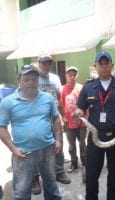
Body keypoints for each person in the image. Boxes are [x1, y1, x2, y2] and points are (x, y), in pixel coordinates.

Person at [72, 51, 115, 200]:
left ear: (112, 66)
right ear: (95, 66)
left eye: (107, 64)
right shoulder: (88, 87)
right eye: (101, 64)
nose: (104, 67)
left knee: (114, 175)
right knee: (92, 175)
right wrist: (78, 112)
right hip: (95, 138)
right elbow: (81, 107)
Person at [0, 64, 62, 200]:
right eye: (26, 79)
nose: (31, 82)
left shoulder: (48, 98)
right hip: (23, 152)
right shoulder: (7, 102)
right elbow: (2, 127)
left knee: (51, 183)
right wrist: (13, 149)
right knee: (22, 190)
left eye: (34, 79)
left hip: (48, 149)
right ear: (19, 82)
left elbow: (56, 119)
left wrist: (58, 140)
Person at [32, 54, 71, 195]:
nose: (47, 65)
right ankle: (35, 178)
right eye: (44, 63)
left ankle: (59, 171)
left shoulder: (55, 78)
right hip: (38, 120)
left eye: (49, 63)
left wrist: (64, 116)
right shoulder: (32, 77)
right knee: (36, 149)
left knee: (58, 146)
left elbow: (59, 99)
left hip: (54, 119)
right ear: (38, 63)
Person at [61, 66, 87, 172]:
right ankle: (74, 163)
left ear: (77, 76)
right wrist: (63, 118)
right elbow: (60, 105)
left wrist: (86, 120)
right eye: (69, 74)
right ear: (66, 76)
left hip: (81, 123)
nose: (72, 77)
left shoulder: (82, 88)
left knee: (82, 145)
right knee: (71, 146)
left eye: (74, 75)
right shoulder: (62, 89)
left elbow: (86, 104)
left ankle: (85, 163)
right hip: (69, 124)